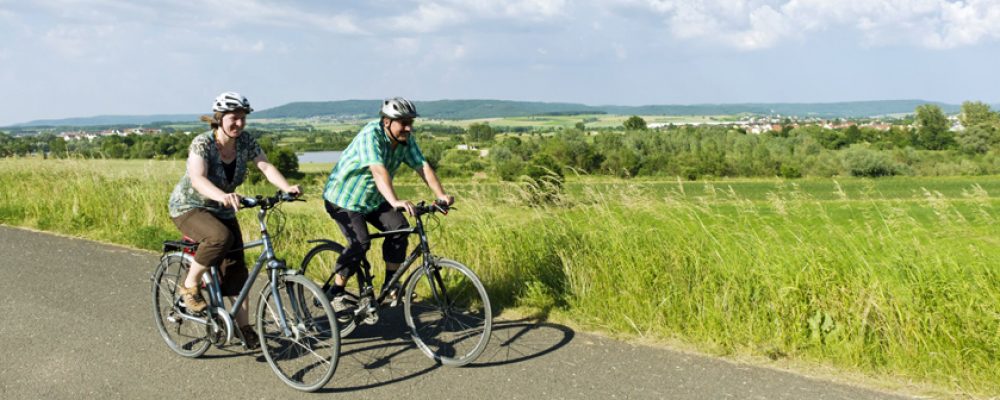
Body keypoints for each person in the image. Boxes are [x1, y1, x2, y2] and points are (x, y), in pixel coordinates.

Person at [167, 91, 301, 349]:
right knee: (220, 238)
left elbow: (265, 166)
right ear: (219, 118)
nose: (239, 123)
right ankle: (189, 285)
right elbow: (198, 178)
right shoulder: (202, 143)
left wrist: (286, 187)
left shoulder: (245, 141)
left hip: (223, 210)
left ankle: (244, 328)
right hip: (190, 206)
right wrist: (222, 195)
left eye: (242, 118)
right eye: (233, 118)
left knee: (237, 270)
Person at [322, 97, 453, 306]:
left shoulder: (405, 140)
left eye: (411, 122)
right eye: (404, 123)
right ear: (386, 122)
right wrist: (394, 200)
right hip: (344, 198)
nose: (409, 128)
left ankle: (391, 285)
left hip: (373, 199)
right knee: (360, 242)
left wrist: (441, 195)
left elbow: (422, 166)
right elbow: (377, 169)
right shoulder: (370, 135)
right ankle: (336, 291)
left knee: (399, 228)